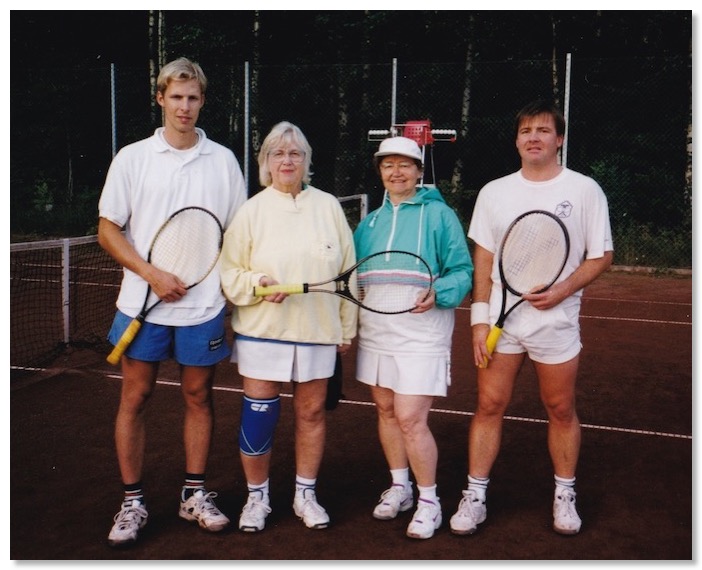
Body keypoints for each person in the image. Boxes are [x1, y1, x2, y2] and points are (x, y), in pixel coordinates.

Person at [97, 57, 247, 547]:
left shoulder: (223, 160)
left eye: (193, 97)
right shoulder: (132, 157)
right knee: (135, 397)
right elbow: (108, 228)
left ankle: (194, 495)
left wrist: (230, 296)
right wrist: (151, 274)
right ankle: (133, 501)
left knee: (198, 397)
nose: (185, 106)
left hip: (202, 307)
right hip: (141, 302)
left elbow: (236, 233)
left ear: (202, 101)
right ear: (160, 98)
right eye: (176, 96)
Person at [449, 99, 614, 537]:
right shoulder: (494, 192)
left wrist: (562, 290)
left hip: (556, 321)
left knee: (560, 407)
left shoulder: (584, 190)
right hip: (503, 321)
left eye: (543, 130)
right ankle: (475, 494)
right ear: (517, 140)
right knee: (489, 404)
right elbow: (483, 259)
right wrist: (479, 320)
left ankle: (564, 493)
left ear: (559, 139)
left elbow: (602, 255)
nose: (534, 138)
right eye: (526, 131)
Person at [219, 121, 357, 533]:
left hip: (317, 330)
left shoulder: (328, 206)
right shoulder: (251, 211)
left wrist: (345, 329)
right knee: (259, 416)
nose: (287, 160)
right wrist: (257, 285)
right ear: (265, 162)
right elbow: (229, 271)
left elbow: (348, 273)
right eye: (278, 153)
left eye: (295, 153)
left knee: (312, 413)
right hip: (263, 332)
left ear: (306, 161)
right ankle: (256, 497)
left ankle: (305, 495)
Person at [354, 136, 473, 540]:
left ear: (419, 171)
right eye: (388, 165)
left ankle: (429, 501)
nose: (397, 172)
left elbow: (462, 271)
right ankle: (400, 486)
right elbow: (355, 277)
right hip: (376, 330)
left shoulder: (441, 216)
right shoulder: (368, 223)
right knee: (386, 410)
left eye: (405, 164)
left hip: (422, 332)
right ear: (380, 171)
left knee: (409, 417)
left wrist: (439, 292)